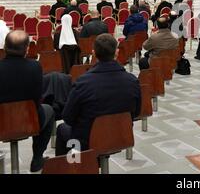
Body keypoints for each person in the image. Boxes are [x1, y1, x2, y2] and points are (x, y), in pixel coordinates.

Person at [55, 34, 141, 155]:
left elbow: (68, 117)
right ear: (116, 52)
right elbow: (136, 112)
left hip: (87, 139)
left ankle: (73, 167)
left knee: (63, 129)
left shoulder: (83, 82)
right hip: (122, 135)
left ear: (93, 53)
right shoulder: (133, 81)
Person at [0, 30, 55, 172]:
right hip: (29, 121)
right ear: (27, 48)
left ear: (5, 47)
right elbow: (37, 97)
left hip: (1, 122)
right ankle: (37, 158)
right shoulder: (35, 67)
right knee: (48, 109)